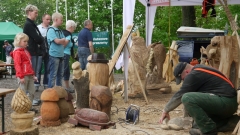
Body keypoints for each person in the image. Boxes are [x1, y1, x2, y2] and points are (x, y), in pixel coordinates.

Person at [159, 62, 237, 135]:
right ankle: (231, 122)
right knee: (197, 125)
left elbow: (180, 95)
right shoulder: (199, 70)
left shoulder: (193, 75)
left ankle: (209, 131)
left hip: (226, 101)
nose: (183, 81)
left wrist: (166, 110)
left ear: (186, 72)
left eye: (182, 79)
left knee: (187, 98)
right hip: (227, 102)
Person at [11, 33, 38, 112]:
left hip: (29, 75)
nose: (26, 43)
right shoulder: (17, 52)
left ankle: (28, 107)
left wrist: (33, 75)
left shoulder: (25, 51)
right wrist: (20, 76)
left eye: (27, 41)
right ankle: (22, 109)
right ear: (18, 41)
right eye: (24, 41)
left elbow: (29, 64)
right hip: (23, 75)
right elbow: (17, 65)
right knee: (22, 93)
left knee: (32, 91)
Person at [23, 4, 44, 92]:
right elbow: (38, 38)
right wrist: (41, 39)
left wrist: (40, 39)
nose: (37, 14)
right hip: (31, 52)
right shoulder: (28, 24)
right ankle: (27, 95)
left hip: (34, 51)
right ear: (29, 12)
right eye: (35, 12)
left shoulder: (32, 24)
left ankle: (29, 95)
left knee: (32, 73)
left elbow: (38, 38)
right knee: (29, 74)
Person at [47, 12, 68, 88]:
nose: (62, 21)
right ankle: (50, 92)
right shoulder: (51, 30)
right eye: (61, 20)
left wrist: (61, 40)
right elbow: (57, 41)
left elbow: (64, 41)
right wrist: (61, 40)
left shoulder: (59, 30)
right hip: (54, 55)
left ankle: (59, 91)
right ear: (56, 20)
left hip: (61, 55)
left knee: (60, 74)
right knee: (53, 75)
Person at [37, 14, 51, 89]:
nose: (48, 21)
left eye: (49, 20)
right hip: (39, 51)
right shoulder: (38, 28)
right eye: (47, 19)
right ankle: (36, 84)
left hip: (48, 51)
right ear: (43, 19)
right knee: (38, 68)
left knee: (48, 68)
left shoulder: (51, 28)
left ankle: (46, 83)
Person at [62, 20, 76, 93]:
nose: (74, 29)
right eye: (74, 28)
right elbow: (63, 45)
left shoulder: (63, 33)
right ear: (71, 27)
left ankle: (67, 87)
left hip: (65, 54)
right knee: (64, 71)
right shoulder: (68, 35)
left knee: (66, 71)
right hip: (64, 55)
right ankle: (61, 88)